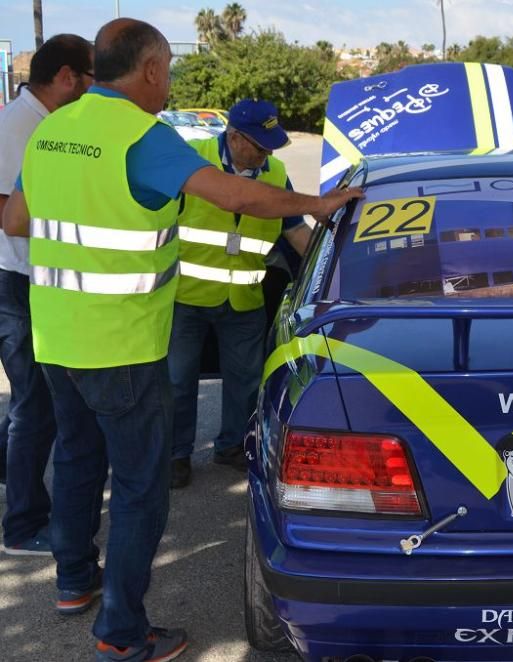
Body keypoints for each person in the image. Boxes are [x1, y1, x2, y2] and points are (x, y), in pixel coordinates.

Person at [2, 18, 361, 661]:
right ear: (147, 69)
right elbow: (237, 197)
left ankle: (73, 582)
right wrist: (319, 202)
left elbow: (18, 219)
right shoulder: (143, 136)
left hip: (54, 335)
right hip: (123, 343)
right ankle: (121, 631)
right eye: (166, 70)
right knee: (141, 487)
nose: (167, 83)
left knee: (79, 464)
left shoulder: (52, 130)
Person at [168, 99, 311, 489]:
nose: (266, 155)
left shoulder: (276, 173)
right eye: (259, 146)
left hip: (244, 298)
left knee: (245, 380)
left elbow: (295, 231)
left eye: (271, 146)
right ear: (233, 136)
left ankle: (232, 445)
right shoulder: (192, 160)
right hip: (187, 295)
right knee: (178, 380)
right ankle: (176, 455)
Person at [0, 34, 93, 557]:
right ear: (66, 77)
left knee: (34, 406)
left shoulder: (41, 122)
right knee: (34, 408)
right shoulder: (20, 126)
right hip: (16, 282)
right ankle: (23, 524)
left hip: (32, 281)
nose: (92, 90)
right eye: (90, 79)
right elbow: (6, 214)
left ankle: (14, 475)